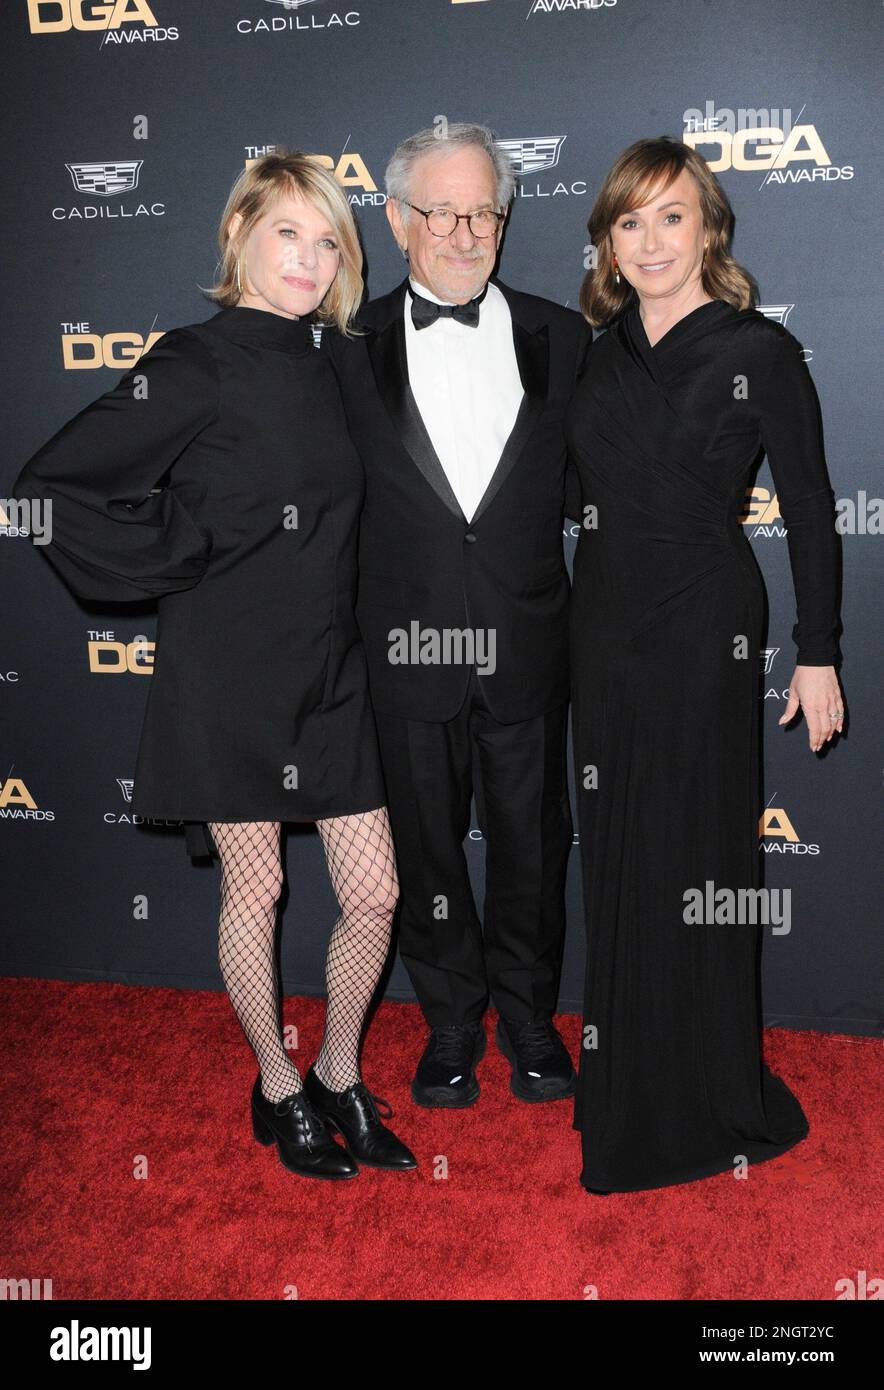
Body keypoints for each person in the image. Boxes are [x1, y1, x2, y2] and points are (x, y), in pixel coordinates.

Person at [10, 150, 417, 1182]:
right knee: (259, 883)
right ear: (240, 232)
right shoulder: (194, 359)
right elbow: (46, 489)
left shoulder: (334, 360)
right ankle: (275, 1088)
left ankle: (334, 1073)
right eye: (289, 231)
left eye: (328, 241)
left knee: (373, 894)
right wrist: (177, 551)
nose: (309, 257)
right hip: (228, 668)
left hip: (330, 667)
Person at [566, 135, 844, 1194]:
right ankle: (625, 1077)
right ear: (606, 240)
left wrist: (815, 655)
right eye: (627, 220)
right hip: (603, 627)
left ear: (707, 228)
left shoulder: (756, 349)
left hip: (702, 624)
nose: (648, 240)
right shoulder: (593, 353)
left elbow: (811, 512)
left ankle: (707, 1092)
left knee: (697, 854)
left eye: (669, 215)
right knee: (624, 849)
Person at [321, 123, 591, 1108]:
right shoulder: (342, 350)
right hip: (402, 650)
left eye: (484, 210)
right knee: (428, 854)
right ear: (395, 220)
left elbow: (604, 487)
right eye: (441, 211)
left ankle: (527, 1021)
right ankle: (447, 1025)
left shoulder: (562, 337)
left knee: (530, 848)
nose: (465, 231)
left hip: (525, 642)